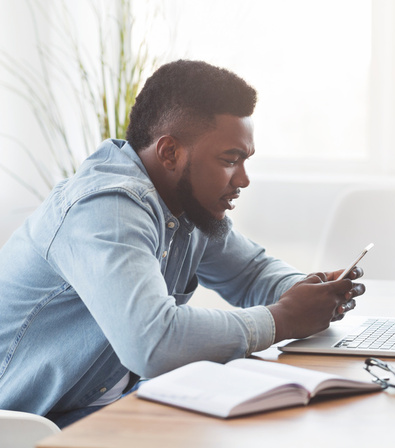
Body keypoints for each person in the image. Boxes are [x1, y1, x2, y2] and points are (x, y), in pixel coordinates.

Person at [0, 60, 365, 428]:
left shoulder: (185, 208)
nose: (243, 179)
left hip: (99, 414)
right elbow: (153, 342)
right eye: (229, 160)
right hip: (26, 429)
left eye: (245, 160)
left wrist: (308, 294)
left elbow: (251, 272)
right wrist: (284, 318)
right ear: (170, 152)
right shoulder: (106, 208)